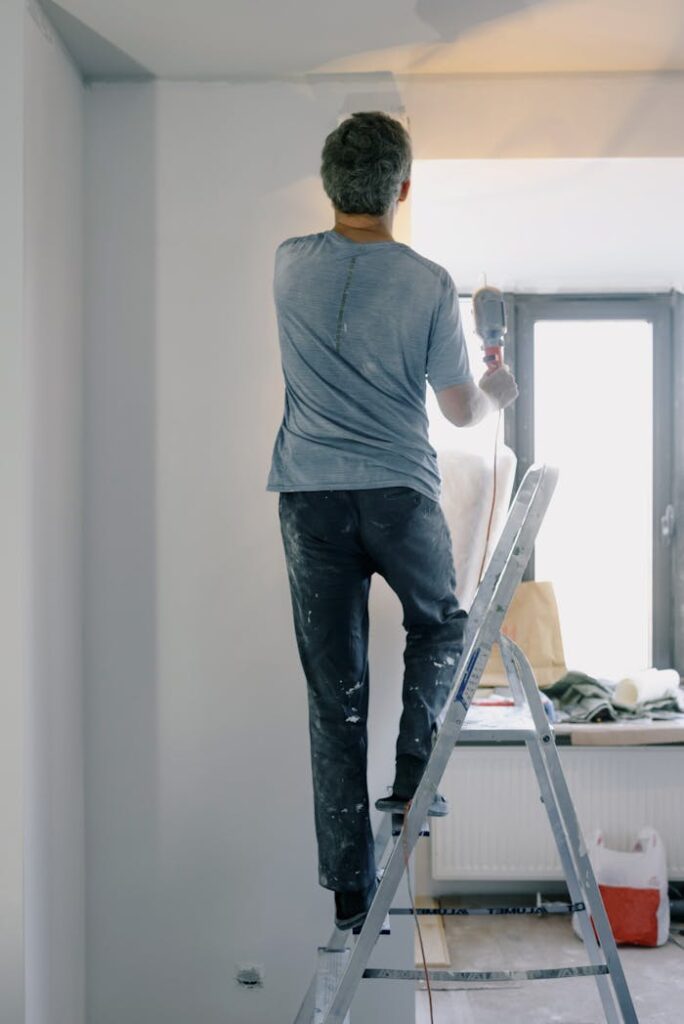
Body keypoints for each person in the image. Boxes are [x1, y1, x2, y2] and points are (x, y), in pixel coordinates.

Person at [267, 111, 518, 931]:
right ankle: (415, 775)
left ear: (329, 185)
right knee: (442, 624)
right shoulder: (427, 282)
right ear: (402, 189)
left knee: (334, 694)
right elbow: (458, 412)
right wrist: (498, 392)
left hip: (311, 499)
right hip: (398, 494)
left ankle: (348, 889)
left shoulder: (288, 266)